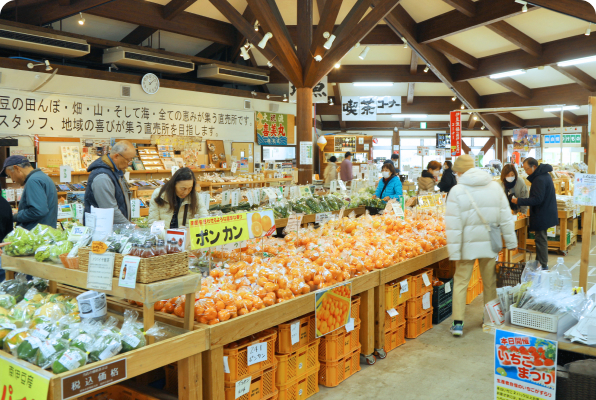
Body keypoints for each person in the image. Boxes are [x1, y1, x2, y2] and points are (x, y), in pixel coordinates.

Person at [446, 154, 517, 337]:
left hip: (465, 246)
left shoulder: (456, 191)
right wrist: (510, 242)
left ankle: (458, 323)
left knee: (461, 282)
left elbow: (453, 225)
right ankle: (489, 320)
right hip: (489, 243)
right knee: (490, 282)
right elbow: (505, 216)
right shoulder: (494, 187)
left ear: (460, 172)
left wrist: (454, 251)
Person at [512, 158, 557, 269]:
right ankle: (539, 263)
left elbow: (537, 199)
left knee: (541, 240)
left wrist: (519, 200)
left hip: (542, 213)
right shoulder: (544, 175)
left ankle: (543, 265)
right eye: (524, 169)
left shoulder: (539, 179)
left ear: (534, 167)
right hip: (545, 212)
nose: (526, 172)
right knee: (540, 239)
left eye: (527, 169)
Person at [85, 141, 137, 225]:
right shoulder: (102, 177)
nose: (129, 164)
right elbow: (110, 211)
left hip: (115, 229)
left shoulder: (116, 172)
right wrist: (129, 227)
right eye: (128, 160)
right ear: (116, 156)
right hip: (103, 231)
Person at [0, 155, 57, 230]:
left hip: (36, 234)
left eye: (10, 175)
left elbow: (38, 211)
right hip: (45, 231)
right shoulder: (42, 177)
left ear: (16, 168)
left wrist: (14, 216)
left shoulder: (33, 180)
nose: (13, 180)